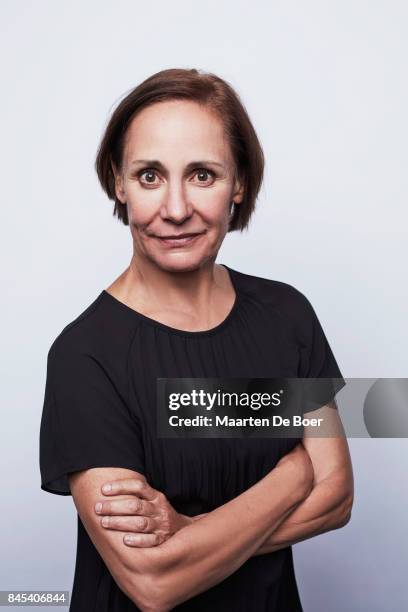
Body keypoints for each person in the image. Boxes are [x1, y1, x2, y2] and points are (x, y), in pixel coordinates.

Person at [39, 67, 354, 611]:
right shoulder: (85, 356)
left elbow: (336, 497)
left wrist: (191, 530)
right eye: (149, 176)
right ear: (118, 182)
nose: (177, 208)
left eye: (203, 175)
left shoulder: (285, 315)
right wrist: (293, 473)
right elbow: (153, 583)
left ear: (240, 184)